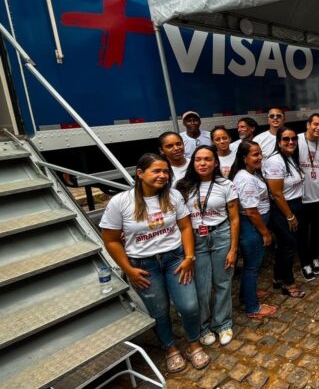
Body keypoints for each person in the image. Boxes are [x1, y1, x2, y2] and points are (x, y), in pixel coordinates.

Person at [99, 153, 210, 373]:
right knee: (158, 311)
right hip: (144, 266)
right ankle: (170, 348)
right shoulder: (120, 202)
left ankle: (193, 343)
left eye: (165, 171)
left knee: (189, 306)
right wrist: (128, 270)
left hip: (175, 260)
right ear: (140, 173)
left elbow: (186, 227)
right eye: (156, 171)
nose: (162, 176)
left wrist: (189, 257)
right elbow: (110, 240)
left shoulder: (174, 195)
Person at [176, 146, 240, 345]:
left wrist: (233, 249)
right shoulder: (183, 186)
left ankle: (223, 323)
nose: (202, 163)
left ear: (216, 163)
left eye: (207, 159)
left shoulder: (225, 184)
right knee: (201, 287)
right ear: (192, 163)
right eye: (198, 159)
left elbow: (235, 219)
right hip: (195, 240)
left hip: (221, 235)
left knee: (223, 282)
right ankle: (203, 327)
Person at [227, 141, 276, 318]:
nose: (260, 157)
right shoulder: (246, 179)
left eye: (260, 153)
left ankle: (246, 295)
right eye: (255, 154)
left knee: (251, 265)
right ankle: (252, 308)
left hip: (253, 226)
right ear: (244, 158)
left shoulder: (249, 174)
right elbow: (251, 211)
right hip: (252, 227)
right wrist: (265, 232)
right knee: (252, 267)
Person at [263, 127, 306, 298]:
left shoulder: (289, 158)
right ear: (279, 142)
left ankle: (278, 278)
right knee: (288, 246)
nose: (290, 142)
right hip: (283, 209)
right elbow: (276, 193)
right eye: (286, 139)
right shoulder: (275, 161)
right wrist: (290, 216)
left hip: (294, 205)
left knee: (284, 246)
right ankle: (289, 283)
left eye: (293, 139)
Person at [297, 113, 319, 280]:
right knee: (302, 233)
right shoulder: (296, 140)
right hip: (301, 197)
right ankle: (305, 263)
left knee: (317, 232)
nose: (318, 128)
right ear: (307, 124)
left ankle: (315, 258)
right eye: (315, 124)